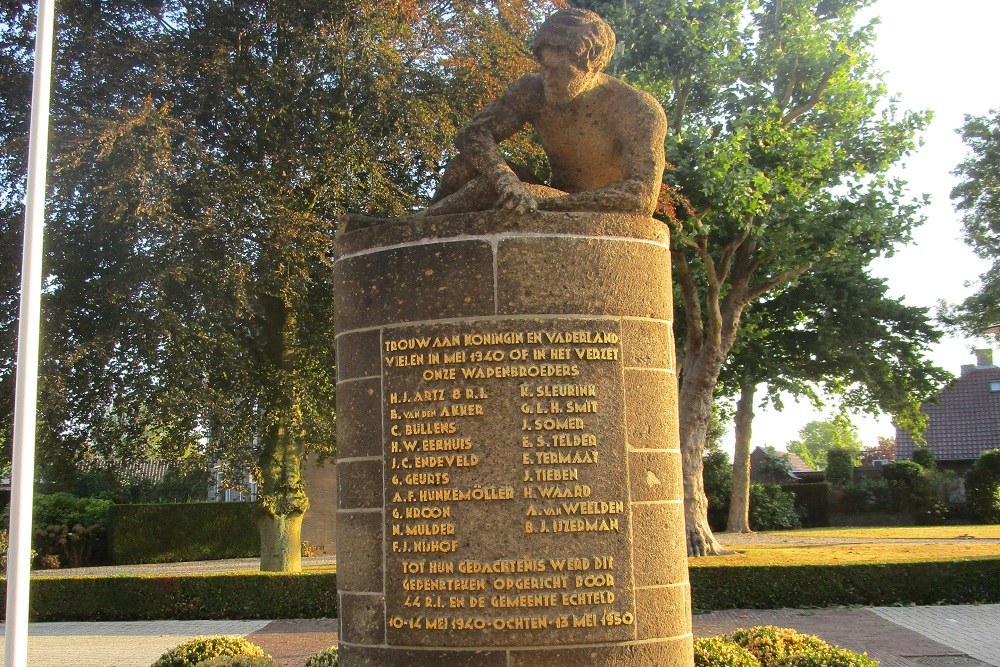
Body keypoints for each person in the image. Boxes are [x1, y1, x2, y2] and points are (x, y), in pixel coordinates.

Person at [423, 8, 667, 218]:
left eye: (561, 71)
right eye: (544, 68)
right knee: (464, 167)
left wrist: (542, 204)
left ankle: (420, 223)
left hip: (588, 206)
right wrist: (505, 180)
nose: (548, 79)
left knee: (485, 190)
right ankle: (419, 229)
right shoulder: (532, 89)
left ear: (592, 61)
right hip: (547, 192)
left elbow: (640, 195)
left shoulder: (636, 108)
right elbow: (473, 133)